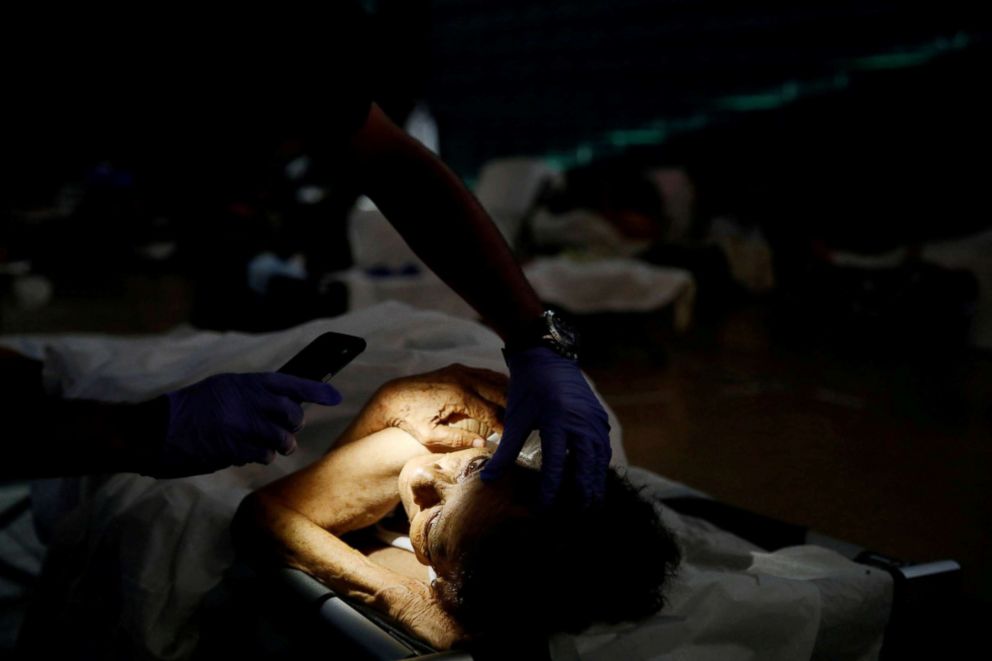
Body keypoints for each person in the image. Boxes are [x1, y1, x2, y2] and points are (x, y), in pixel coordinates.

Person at [3, 4, 611, 501]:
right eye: (250, 153)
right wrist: (133, 435)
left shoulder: (294, 51)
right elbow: (268, 519)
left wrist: (534, 339)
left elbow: (396, 166)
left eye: (291, 150)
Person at [232, 365, 680, 650]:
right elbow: (260, 514)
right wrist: (398, 598)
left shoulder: (486, 577)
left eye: (437, 526)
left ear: (446, 581)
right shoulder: (440, 443)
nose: (424, 476)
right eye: (472, 472)